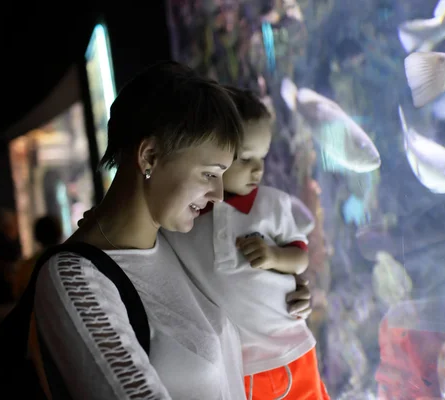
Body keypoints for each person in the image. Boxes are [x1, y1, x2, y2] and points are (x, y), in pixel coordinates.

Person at [32, 61, 311, 400]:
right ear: (149, 156)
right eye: (209, 174)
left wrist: (277, 294)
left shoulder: (176, 243)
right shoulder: (76, 279)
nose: (220, 195)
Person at [163, 86, 329, 399]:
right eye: (245, 158)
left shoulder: (273, 205)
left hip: (288, 346)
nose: (257, 169)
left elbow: (300, 258)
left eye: (262, 158)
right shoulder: (185, 219)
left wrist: (273, 256)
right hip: (236, 366)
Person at [11, 215, 62, 300]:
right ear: (59, 233)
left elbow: (18, 295)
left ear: (36, 236)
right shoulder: (73, 262)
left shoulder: (26, 267)